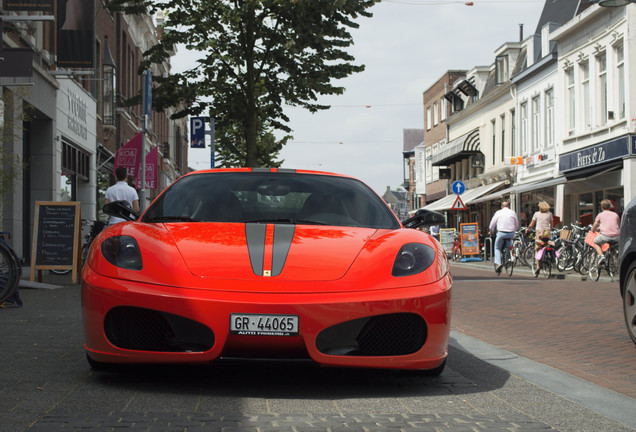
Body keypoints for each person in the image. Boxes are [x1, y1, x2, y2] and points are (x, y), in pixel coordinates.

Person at [488, 201, 519, 274]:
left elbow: (493, 223)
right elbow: (516, 223)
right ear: (508, 206)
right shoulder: (513, 212)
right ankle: (509, 256)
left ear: (501, 207)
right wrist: (516, 229)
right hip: (511, 233)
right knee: (509, 245)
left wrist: (491, 230)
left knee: (497, 248)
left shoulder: (498, 212)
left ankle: (499, 264)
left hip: (501, 233)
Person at [526, 201, 554, 277]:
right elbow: (551, 223)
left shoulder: (536, 214)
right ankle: (548, 259)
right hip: (547, 232)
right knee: (547, 246)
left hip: (539, 233)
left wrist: (528, 228)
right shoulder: (550, 214)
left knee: (537, 249)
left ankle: (538, 266)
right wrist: (550, 229)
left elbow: (532, 224)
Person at [591, 199, 620, 264]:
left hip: (605, 236)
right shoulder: (615, 215)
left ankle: (601, 256)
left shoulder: (600, 215)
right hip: (616, 236)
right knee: (614, 246)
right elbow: (617, 225)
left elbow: (595, 225)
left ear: (602, 207)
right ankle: (614, 259)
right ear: (610, 206)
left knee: (596, 242)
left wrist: (593, 230)